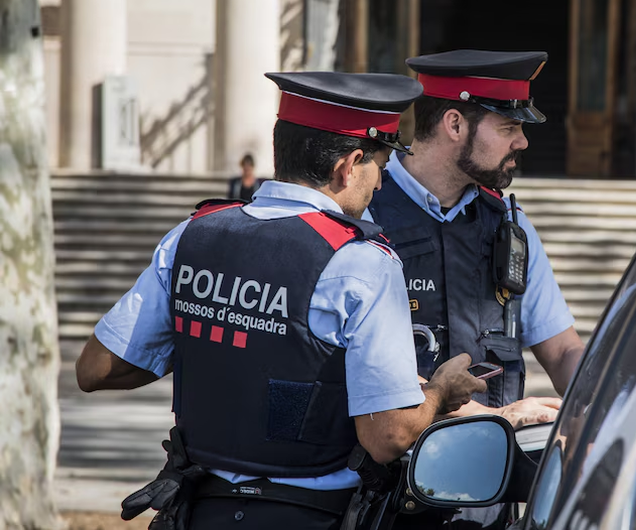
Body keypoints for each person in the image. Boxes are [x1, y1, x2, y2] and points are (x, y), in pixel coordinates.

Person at [75, 71, 487, 530]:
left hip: (200, 511)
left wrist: (217, 338)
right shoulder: (364, 263)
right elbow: (387, 435)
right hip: (310, 515)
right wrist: (438, 393)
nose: (380, 184)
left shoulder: (194, 234)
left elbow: (95, 368)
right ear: (348, 166)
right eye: (380, 166)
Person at [368, 50, 586, 528]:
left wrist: (600, 408)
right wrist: (504, 416)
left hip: (491, 502)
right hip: (388, 498)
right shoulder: (365, 216)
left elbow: (564, 350)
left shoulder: (509, 225)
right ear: (454, 124)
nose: (523, 142)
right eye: (509, 128)